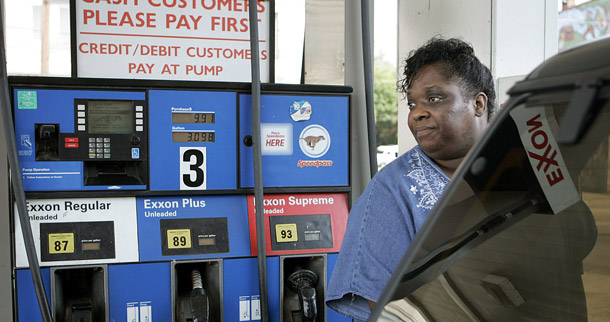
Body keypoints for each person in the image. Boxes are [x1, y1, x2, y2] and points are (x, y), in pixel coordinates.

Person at [326, 37, 496, 321]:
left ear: (478, 103)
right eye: (412, 104)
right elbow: (386, 312)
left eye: (435, 98)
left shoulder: (520, 167)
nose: (418, 113)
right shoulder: (391, 192)